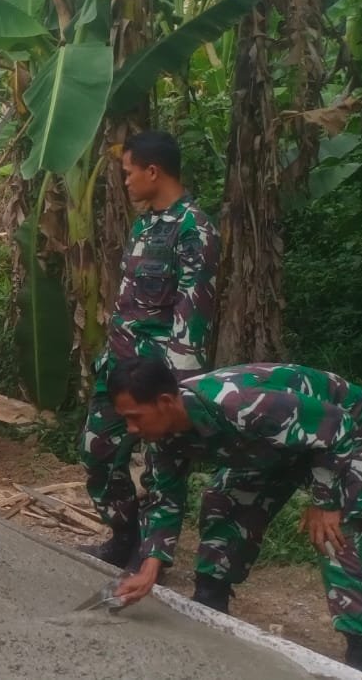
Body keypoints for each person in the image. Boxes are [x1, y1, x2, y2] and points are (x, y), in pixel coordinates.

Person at [108, 358, 362, 675]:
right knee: (224, 500)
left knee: (337, 533)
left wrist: (325, 501)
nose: (131, 429)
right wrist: (150, 566)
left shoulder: (244, 405)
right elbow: (164, 499)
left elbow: (336, 426)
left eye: (134, 418)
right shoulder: (163, 436)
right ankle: (211, 601)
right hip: (274, 441)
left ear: (165, 402)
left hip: (347, 429)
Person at [79, 130, 220, 568]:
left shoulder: (194, 228)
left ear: (153, 172)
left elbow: (193, 311)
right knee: (96, 451)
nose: (125, 181)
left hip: (158, 374)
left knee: (161, 470)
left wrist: (178, 384)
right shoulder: (145, 225)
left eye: (129, 172)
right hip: (119, 367)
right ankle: (125, 532)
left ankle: (150, 558)